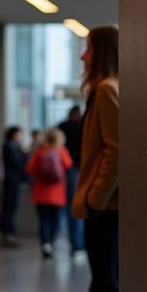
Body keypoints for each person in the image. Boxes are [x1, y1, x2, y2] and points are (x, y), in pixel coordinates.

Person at [50, 26, 119, 292]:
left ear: (102, 52)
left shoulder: (106, 90)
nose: (82, 56)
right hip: (107, 207)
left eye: (88, 48)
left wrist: (95, 197)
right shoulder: (112, 88)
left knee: (107, 284)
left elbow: (116, 150)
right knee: (104, 284)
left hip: (105, 208)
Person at [26, 127, 73, 258]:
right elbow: (69, 165)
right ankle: (51, 243)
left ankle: (45, 244)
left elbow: (30, 169)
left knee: (44, 221)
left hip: (40, 193)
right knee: (55, 221)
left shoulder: (40, 151)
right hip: (57, 194)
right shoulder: (61, 151)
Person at [57, 104, 85, 256]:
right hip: (82, 169)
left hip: (67, 170)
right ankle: (78, 244)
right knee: (78, 206)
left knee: (72, 206)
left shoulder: (62, 126)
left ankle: (76, 244)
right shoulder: (84, 125)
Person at [0, 126, 27, 247]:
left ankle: (10, 233)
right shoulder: (10, 146)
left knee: (11, 208)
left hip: (12, 181)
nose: (20, 137)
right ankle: (9, 234)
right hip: (12, 181)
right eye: (19, 134)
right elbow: (18, 163)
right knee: (10, 208)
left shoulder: (12, 146)